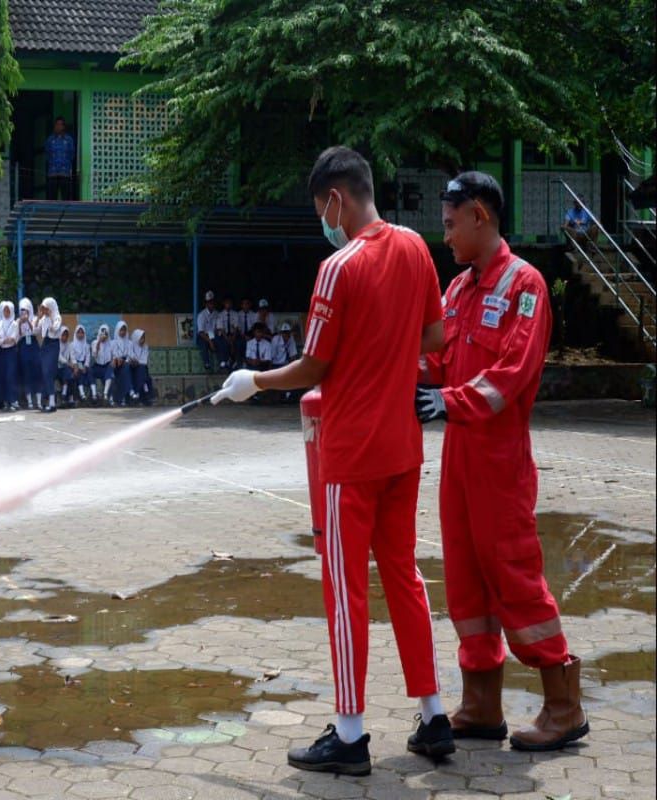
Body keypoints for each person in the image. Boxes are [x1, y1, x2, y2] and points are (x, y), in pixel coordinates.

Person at [212, 146, 448, 775]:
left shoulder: (339, 268)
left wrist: (252, 381)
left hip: (351, 454)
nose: (324, 221)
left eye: (322, 209)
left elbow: (314, 366)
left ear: (335, 200)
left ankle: (349, 734)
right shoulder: (419, 249)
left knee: (346, 591)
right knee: (404, 576)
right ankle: (433, 715)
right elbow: (435, 337)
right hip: (403, 447)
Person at [418, 171, 587, 752]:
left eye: (448, 224)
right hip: (460, 455)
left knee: (513, 575)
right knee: (464, 577)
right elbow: (434, 361)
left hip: (499, 456)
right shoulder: (458, 291)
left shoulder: (525, 285)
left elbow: (511, 376)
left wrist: (449, 400)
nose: (445, 237)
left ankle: (564, 706)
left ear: (479, 217)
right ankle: (481, 705)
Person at [16, 299, 42, 410]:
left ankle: (39, 401)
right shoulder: (17, 321)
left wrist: (29, 322)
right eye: (22, 310)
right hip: (23, 347)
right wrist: (20, 324)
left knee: (37, 371)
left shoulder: (35, 319)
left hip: (33, 346)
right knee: (26, 373)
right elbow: (17, 337)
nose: (24, 313)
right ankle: (29, 401)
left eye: (25, 310)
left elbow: (36, 331)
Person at [38, 297, 62, 413]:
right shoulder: (44, 318)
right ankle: (47, 401)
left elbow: (54, 329)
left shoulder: (57, 317)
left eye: (47, 308)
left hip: (53, 345)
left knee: (48, 371)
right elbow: (37, 330)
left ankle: (52, 403)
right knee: (43, 372)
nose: (45, 311)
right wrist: (39, 317)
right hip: (45, 345)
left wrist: (50, 318)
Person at [0, 301, 20, 411]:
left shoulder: (15, 324)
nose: (6, 312)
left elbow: (14, 339)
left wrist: (4, 340)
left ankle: (13, 400)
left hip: (11, 352)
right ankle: (5, 401)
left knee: (11, 376)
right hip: (1, 353)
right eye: (4, 310)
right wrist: (3, 341)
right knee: (2, 376)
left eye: (8, 310)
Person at [44, 117, 76, 200]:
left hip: (65, 173)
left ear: (63, 127)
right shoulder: (50, 140)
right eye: (56, 124)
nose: (58, 126)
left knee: (66, 198)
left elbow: (72, 154)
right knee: (51, 198)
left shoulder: (69, 140)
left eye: (60, 124)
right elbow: (47, 154)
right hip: (52, 173)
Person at [109, 320, 134, 406]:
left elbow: (131, 355)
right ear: (117, 330)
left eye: (124, 330)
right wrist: (117, 359)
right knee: (123, 371)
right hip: (116, 365)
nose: (123, 332)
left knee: (125, 369)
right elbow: (112, 356)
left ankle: (123, 397)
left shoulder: (130, 343)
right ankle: (129, 391)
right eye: (121, 330)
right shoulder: (113, 343)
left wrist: (125, 361)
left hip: (125, 363)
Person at [214, 297, 239, 371]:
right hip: (224, 335)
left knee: (238, 343)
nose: (228, 305)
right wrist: (228, 340)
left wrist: (233, 338)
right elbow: (221, 329)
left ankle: (235, 362)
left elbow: (236, 327)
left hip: (233, 335)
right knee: (224, 344)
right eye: (226, 303)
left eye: (230, 303)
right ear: (224, 304)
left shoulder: (235, 314)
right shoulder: (220, 315)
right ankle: (224, 362)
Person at [196, 292, 219, 372]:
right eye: (209, 303)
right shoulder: (201, 315)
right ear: (206, 304)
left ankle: (223, 363)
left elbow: (217, 328)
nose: (211, 304)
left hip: (212, 334)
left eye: (212, 302)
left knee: (220, 342)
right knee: (203, 344)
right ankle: (207, 363)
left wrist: (212, 339)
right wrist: (210, 341)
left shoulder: (216, 313)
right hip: (203, 335)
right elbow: (201, 332)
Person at [90, 323, 112, 404]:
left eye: (106, 333)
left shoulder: (110, 343)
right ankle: (94, 394)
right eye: (102, 333)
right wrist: (99, 343)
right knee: (90, 372)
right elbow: (94, 355)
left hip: (106, 367)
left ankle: (105, 394)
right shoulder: (94, 342)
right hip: (98, 366)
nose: (104, 335)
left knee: (110, 370)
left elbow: (112, 357)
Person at [70, 324, 91, 404]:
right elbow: (72, 357)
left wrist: (85, 366)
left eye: (82, 333)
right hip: (75, 364)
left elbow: (88, 356)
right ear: (76, 333)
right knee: (77, 372)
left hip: (84, 364)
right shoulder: (72, 344)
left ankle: (93, 395)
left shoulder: (86, 345)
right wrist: (76, 365)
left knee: (88, 372)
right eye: (78, 332)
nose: (80, 334)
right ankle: (81, 395)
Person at [130, 328, 152, 405]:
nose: (142, 340)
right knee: (144, 374)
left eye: (143, 338)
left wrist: (137, 362)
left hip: (141, 368)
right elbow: (130, 356)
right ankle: (145, 394)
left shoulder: (145, 347)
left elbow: (144, 360)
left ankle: (138, 394)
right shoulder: (131, 345)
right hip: (132, 368)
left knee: (143, 372)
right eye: (141, 338)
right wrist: (135, 361)